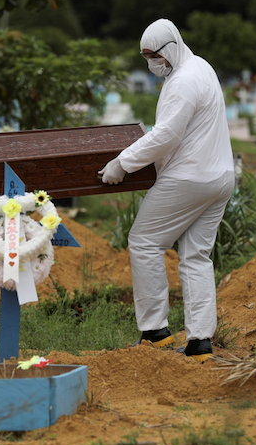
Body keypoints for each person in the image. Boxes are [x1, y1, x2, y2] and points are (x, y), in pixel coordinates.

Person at [98, 19, 235, 363]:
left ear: (170, 48)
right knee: (196, 256)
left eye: (154, 56)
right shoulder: (200, 66)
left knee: (144, 241)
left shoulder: (183, 81)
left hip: (190, 178)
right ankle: (200, 343)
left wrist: (122, 162)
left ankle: (155, 332)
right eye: (145, 57)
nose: (151, 63)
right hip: (220, 177)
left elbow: (167, 136)